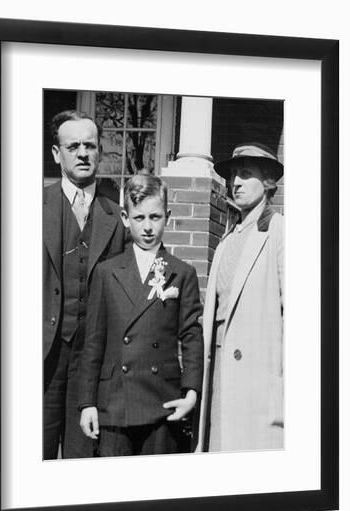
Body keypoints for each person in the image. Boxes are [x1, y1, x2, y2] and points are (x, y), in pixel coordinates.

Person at [78, 174, 203, 456]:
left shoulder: (181, 273)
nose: (147, 227)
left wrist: (191, 393)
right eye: (139, 217)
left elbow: (192, 336)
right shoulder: (106, 271)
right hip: (115, 403)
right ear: (125, 217)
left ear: (167, 217)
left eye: (155, 217)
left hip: (163, 402)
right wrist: (87, 403)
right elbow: (93, 343)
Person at [43, 110, 126, 459]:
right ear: (56, 153)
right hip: (42, 359)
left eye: (90, 145)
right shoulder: (26, 208)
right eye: (73, 145)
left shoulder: (117, 216)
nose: (82, 153)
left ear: (100, 152)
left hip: (92, 364)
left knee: (82, 461)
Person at [196, 143, 284, 453]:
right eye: (234, 175)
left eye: (246, 174)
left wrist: (282, 386)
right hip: (221, 372)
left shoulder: (279, 231)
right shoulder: (226, 240)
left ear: (269, 182)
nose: (236, 182)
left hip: (258, 382)